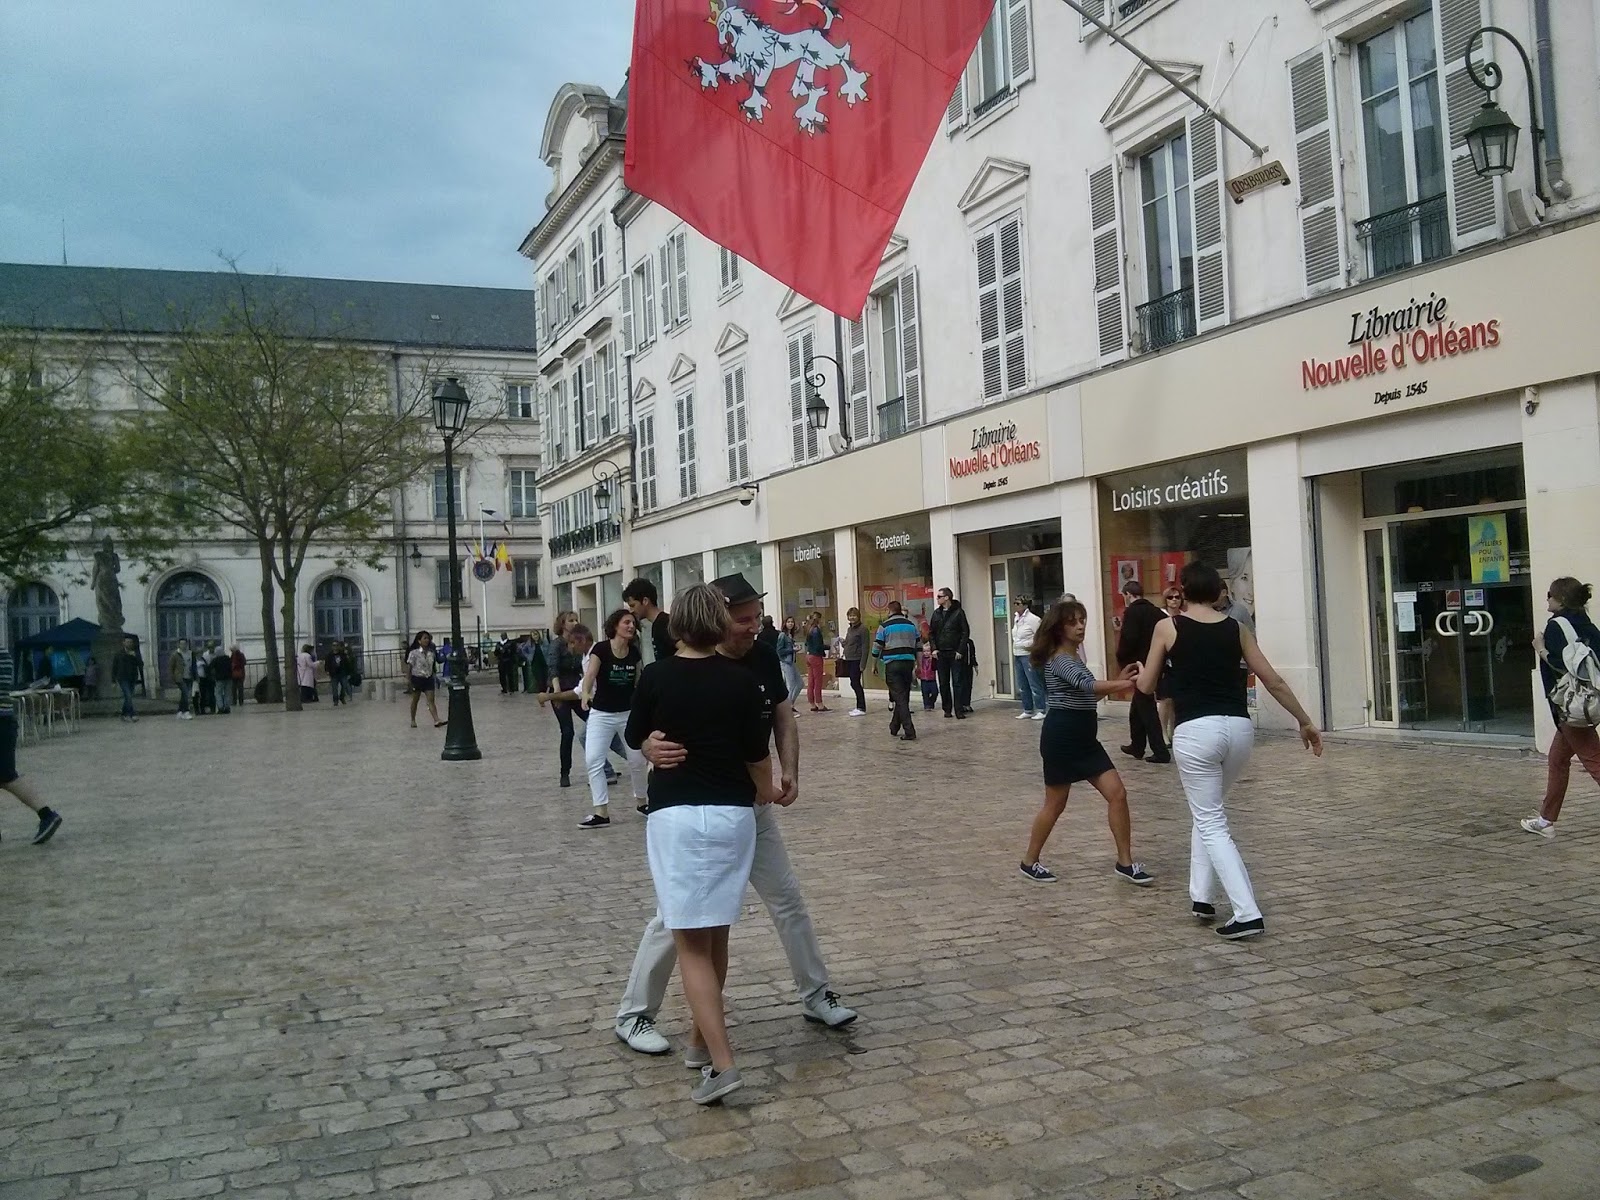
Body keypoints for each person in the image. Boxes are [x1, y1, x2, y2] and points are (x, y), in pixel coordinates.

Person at [616, 573, 858, 1073]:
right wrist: (646, 746)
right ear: (716, 617)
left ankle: (815, 993)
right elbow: (639, 730)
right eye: (743, 620)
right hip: (698, 809)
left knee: (786, 898)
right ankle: (636, 1014)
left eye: (755, 618)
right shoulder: (673, 669)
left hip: (751, 809)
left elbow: (783, 718)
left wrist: (789, 773)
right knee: (674, 919)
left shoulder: (761, 658)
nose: (753, 627)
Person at [622, 583, 781, 1105]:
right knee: (716, 937)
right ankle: (698, 1042)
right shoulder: (741, 681)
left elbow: (633, 734)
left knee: (691, 944)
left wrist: (649, 745)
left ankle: (723, 1064)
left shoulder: (657, 676)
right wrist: (769, 790)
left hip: (678, 816)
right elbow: (757, 754)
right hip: (732, 816)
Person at [1137, 561, 1323, 940]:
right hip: (1238, 729)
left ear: (1183, 591)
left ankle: (1247, 912)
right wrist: (1304, 720)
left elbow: (1146, 686)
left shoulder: (1168, 627)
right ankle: (1201, 896)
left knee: (1210, 820)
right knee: (1207, 811)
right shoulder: (1236, 629)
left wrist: (1141, 671)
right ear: (1218, 592)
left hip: (1195, 731)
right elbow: (1272, 680)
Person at [1019, 599, 1152, 887]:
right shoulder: (1060, 659)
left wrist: (1118, 681)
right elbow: (1088, 686)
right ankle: (1029, 861)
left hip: (1085, 740)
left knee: (1117, 794)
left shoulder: (1073, 657)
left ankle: (1125, 862)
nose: (1080, 627)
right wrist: (1127, 684)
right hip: (1062, 739)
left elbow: (1087, 697)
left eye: (1082, 620)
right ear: (1059, 628)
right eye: (1073, 622)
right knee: (1055, 804)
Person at [1523, 577, 1600, 837]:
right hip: (1585, 703)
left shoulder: (1556, 626)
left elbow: (1560, 664)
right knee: (1557, 760)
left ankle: (1545, 821)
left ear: (1561, 599)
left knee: (1594, 761)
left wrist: (1540, 649)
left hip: (1570, 707)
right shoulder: (1586, 624)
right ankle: (1545, 821)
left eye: (1550, 594)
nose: (1547, 599)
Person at [578, 610, 650, 828]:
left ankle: (642, 803)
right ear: (615, 626)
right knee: (594, 760)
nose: (631, 626)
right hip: (601, 714)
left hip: (628, 714)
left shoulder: (634, 652)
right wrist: (586, 694)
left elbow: (638, 681)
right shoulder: (601, 649)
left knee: (637, 761)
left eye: (633, 623)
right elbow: (590, 675)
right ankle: (601, 812)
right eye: (626, 622)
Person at [0, 645, 63, 846]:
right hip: (5, 720)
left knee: (7, 777)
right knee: (5, 776)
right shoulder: (3, 653)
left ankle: (46, 814)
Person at [1116, 580, 1170, 764]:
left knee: (1146, 707)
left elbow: (1128, 639)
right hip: (1156, 664)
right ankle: (1137, 744)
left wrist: (1123, 660)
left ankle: (1160, 751)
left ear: (1128, 595)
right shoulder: (1156, 612)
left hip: (1139, 666)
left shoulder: (1132, 612)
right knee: (1138, 705)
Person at [872, 600, 920, 741]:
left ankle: (909, 731)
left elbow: (877, 646)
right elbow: (918, 646)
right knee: (903, 696)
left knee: (899, 698)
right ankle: (894, 726)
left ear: (889, 610)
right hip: (908, 663)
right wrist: (918, 664)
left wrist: (874, 664)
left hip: (892, 664)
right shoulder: (911, 625)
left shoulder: (884, 626)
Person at [928, 587, 970, 719]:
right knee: (943, 683)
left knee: (957, 682)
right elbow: (931, 633)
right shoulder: (936, 614)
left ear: (947, 598)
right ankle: (947, 709)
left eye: (939, 597)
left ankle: (959, 709)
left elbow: (965, 632)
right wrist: (934, 648)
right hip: (941, 653)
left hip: (955, 652)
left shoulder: (958, 612)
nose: (937, 599)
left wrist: (960, 650)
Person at [623, 577, 674, 664]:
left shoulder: (664, 623)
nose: (631, 611)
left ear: (645, 601)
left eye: (633, 605)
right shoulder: (658, 624)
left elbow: (684, 649)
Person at [1157, 584, 1185, 745]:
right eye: (1170, 597)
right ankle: (1162, 731)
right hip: (1165, 663)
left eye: (1177, 597)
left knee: (1176, 700)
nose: (1174, 600)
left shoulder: (1184, 617)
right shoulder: (1160, 616)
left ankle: (1174, 731)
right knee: (1165, 699)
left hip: (1180, 663)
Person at [1011, 596, 1045, 721]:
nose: (1016, 606)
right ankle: (1028, 709)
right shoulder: (1016, 618)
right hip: (1018, 653)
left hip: (1028, 654)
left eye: (1018, 603)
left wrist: (1028, 645)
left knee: (1034, 682)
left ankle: (1041, 709)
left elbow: (1040, 637)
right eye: (1015, 603)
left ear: (1025, 605)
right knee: (1022, 684)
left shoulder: (1033, 619)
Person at [407, 631, 445, 728]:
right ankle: (413, 719)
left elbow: (433, 665)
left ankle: (436, 719)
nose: (427, 640)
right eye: (424, 638)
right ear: (419, 640)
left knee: (431, 700)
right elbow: (409, 667)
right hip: (417, 678)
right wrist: (409, 680)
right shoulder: (414, 653)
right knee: (415, 700)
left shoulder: (431, 653)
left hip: (428, 678)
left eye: (428, 638)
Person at [841, 607, 869, 716]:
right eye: (850, 616)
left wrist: (863, 664)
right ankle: (859, 706)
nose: (852, 618)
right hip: (849, 659)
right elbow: (848, 643)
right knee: (853, 682)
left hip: (857, 659)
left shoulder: (863, 629)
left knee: (855, 683)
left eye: (854, 615)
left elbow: (865, 647)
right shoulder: (850, 629)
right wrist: (843, 642)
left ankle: (861, 707)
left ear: (858, 616)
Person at [803, 611, 828, 712]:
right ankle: (819, 703)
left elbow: (806, 643)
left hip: (809, 655)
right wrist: (827, 647)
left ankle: (812, 703)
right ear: (819, 619)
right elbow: (818, 646)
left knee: (811, 681)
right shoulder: (816, 630)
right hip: (816, 657)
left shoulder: (809, 629)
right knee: (818, 681)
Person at [111, 636, 140, 722]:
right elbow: (114, 667)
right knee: (128, 695)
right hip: (122, 678)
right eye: (127, 642)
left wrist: (135, 657)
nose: (129, 644)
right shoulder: (119, 654)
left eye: (130, 642)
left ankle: (123, 714)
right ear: (123, 643)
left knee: (128, 697)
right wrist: (113, 680)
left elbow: (140, 664)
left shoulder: (135, 653)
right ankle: (131, 714)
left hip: (132, 677)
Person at [776, 616, 802, 709]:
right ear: (785, 623)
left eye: (792, 622)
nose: (790, 624)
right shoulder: (782, 635)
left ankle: (791, 704)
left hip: (791, 661)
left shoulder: (790, 635)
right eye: (788, 622)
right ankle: (787, 706)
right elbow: (779, 650)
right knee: (791, 685)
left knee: (800, 683)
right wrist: (792, 650)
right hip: (786, 662)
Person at [168, 639, 193, 720]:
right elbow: (171, 666)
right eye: (181, 644)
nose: (183, 645)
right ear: (178, 645)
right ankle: (186, 711)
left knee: (184, 694)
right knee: (185, 693)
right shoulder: (175, 654)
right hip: (180, 677)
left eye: (185, 644)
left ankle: (180, 711)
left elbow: (193, 665)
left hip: (189, 676)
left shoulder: (190, 653)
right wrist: (172, 677)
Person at [210, 643, 233, 713]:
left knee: (218, 693)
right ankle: (227, 707)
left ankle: (220, 707)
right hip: (229, 678)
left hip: (219, 679)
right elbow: (231, 667)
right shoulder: (228, 658)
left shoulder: (215, 660)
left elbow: (209, 668)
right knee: (227, 693)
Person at [917, 640, 939, 711]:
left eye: (928, 651)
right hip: (923, 679)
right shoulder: (921, 659)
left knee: (935, 692)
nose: (926, 653)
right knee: (925, 693)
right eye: (924, 651)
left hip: (932, 679)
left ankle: (931, 702)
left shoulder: (933, 659)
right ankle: (926, 705)